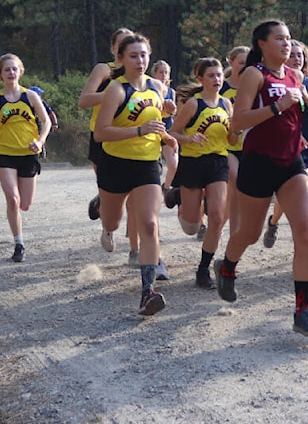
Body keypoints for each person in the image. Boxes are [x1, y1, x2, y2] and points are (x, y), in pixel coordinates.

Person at [214, 20, 308, 336]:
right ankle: (227, 266)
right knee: (249, 233)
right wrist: (276, 107)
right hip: (258, 163)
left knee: (305, 232)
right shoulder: (254, 75)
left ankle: (303, 310)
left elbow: (299, 117)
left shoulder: (294, 77)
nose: (287, 44)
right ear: (262, 43)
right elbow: (238, 122)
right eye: (279, 38)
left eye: (289, 39)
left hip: (292, 162)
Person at [93, 33, 176, 316]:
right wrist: (139, 131)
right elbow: (101, 132)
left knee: (149, 225)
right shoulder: (116, 89)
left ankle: (147, 292)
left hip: (147, 164)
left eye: (143, 55)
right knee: (113, 221)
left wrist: (167, 136)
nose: (140, 61)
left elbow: (155, 123)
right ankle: (103, 211)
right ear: (121, 59)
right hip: (115, 164)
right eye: (133, 56)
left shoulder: (158, 87)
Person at [0, 54, 51, 263]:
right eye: (7, 70)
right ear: (0, 74)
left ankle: (19, 238)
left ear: (20, 71)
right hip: (6, 155)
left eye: (14, 69)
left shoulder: (31, 97)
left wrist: (41, 141)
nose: (11, 73)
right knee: (13, 200)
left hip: (29, 155)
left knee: (25, 204)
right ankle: (19, 244)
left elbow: (46, 122)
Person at [167, 58, 232, 289]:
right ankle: (179, 198)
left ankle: (203, 269)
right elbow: (171, 132)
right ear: (201, 79)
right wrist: (189, 138)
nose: (217, 79)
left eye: (219, 75)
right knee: (191, 226)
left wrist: (239, 132)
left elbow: (231, 138)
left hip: (218, 162)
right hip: (193, 162)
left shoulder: (226, 104)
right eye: (212, 75)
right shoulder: (194, 105)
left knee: (216, 217)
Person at [263, 40, 308, 248]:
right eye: (293, 55)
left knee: (306, 186)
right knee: (288, 187)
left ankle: (287, 225)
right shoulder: (275, 83)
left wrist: (304, 93)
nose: (297, 59)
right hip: (288, 143)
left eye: (300, 55)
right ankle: (277, 222)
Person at [78, 27, 134, 222]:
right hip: (101, 135)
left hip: (131, 135)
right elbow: (83, 101)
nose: (126, 47)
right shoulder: (105, 69)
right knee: (110, 186)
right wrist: (112, 96)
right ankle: (105, 212)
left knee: (134, 188)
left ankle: (135, 237)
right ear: (113, 48)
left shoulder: (139, 74)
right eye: (121, 43)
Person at [217, 45, 250, 239]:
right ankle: (234, 235)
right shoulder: (222, 86)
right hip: (226, 145)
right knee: (236, 184)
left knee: (233, 196)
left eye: (249, 63)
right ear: (231, 62)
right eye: (241, 63)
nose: (245, 67)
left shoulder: (254, 85)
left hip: (249, 145)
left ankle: (217, 226)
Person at [150, 60, 179, 199]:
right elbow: (131, 106)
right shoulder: (147, 89)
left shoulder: (171, 92)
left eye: (166, 72)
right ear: (154, 73)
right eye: (161, 72)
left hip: (166, 131)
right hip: (151, 131)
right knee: (154, 168)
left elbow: (174, 112)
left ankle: (166, 188)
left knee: (173, 164)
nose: (163, 75)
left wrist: (172, 111)